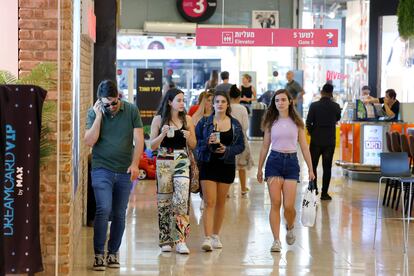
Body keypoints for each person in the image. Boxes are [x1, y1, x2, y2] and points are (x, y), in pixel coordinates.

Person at [85, 80, 144, 271]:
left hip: (124, 170)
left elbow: (139, 138)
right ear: (100, 102)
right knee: (103, 209)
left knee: (119, 213)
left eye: (113, 102)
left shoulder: (131, 110)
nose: (111, 107)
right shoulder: (95, 112)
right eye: (106, 104)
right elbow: (89, 141)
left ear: (119, 96)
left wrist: (135, 164)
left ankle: (113, 252)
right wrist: (99, 116)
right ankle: (98, 255)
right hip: (102, 168)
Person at [256, 89, 315, 252]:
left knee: (289, 206)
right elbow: (265, 146)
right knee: (275, 203)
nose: (280, 103)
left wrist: (310, 169)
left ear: (290, 101)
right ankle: (276, 240)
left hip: (291, 163)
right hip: (274, 161)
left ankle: (290, 226)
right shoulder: (270, 122)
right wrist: (259, 168)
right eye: (277, 100)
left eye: (283, 100)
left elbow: (304, 146)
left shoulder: (297, 122)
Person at [195, 91, 245, 251]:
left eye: (223, 101)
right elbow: (195, 143)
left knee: (221, 202)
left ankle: (216, 235)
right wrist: (206, 143)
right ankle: (207, 237)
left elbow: (241, 145)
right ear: (212, 104)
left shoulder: (235, 124)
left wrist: (227, 149)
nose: (220, 104)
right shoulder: (204, 123)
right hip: (208, 164)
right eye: (217, 101)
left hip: (226, 164)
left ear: (228, 104)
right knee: (210, 201)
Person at [150, 88, 197, 254]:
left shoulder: (188, 119)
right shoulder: (158, 119)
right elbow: (152, 146)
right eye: (179, 100)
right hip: (163, 161)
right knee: (164, 201)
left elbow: (193, 144)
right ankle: (165, 239)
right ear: (170, 102)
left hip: (181, 161)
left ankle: (181, 239)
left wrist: (188, 136)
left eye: (183, 100)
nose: (182, 103)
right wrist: (162, 135)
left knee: (182, 198)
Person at [306, 83, 341, 200]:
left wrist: (313, 133)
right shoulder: (336, 106)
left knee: (313, 166)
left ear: (321, 92)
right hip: (329, 142)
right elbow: (337, 118)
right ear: (331, 93)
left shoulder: (314, 106)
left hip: (316, 141)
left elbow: (308, 122)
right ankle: (324, 193)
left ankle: (314, 189)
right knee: (327, 168)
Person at [229, 85, 254, 197]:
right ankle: (243, 189)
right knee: (241, 166)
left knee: (229, 167)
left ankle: (226, 192)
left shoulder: (227, 107)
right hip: (240, 140)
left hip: (228, 139)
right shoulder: (242, 108)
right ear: (239, 97)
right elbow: (245, 126)